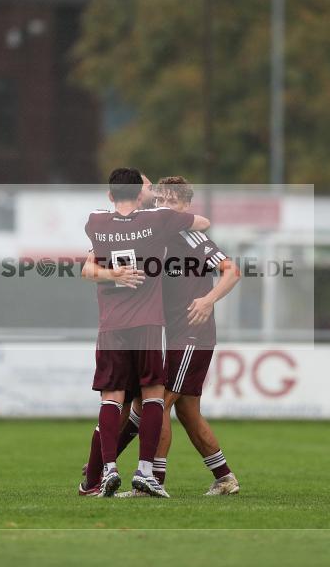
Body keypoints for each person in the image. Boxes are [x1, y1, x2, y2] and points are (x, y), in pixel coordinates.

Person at [81, 167, 210, 497]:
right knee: (153, 396)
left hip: (111, 324)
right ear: (140, 194)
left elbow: (86, 268)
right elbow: (202, 223)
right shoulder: (157, 221)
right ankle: (145, 472)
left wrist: (114, 275)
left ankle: (107, 469)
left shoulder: (95, 222)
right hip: (149, 323)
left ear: (110, 195)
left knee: (112, 399)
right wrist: (163, 208)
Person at [144, 176, 241, 495]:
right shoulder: (153, 235)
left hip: (191, 335)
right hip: (174, 334)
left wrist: (208, 299)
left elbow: (232, 270)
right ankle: (225, 478)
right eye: (161, 200)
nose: (164, 207)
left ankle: (152, 482)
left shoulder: (191, 236)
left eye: (172, 202)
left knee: (158, 403)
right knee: (187, 411)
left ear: (186, 208)